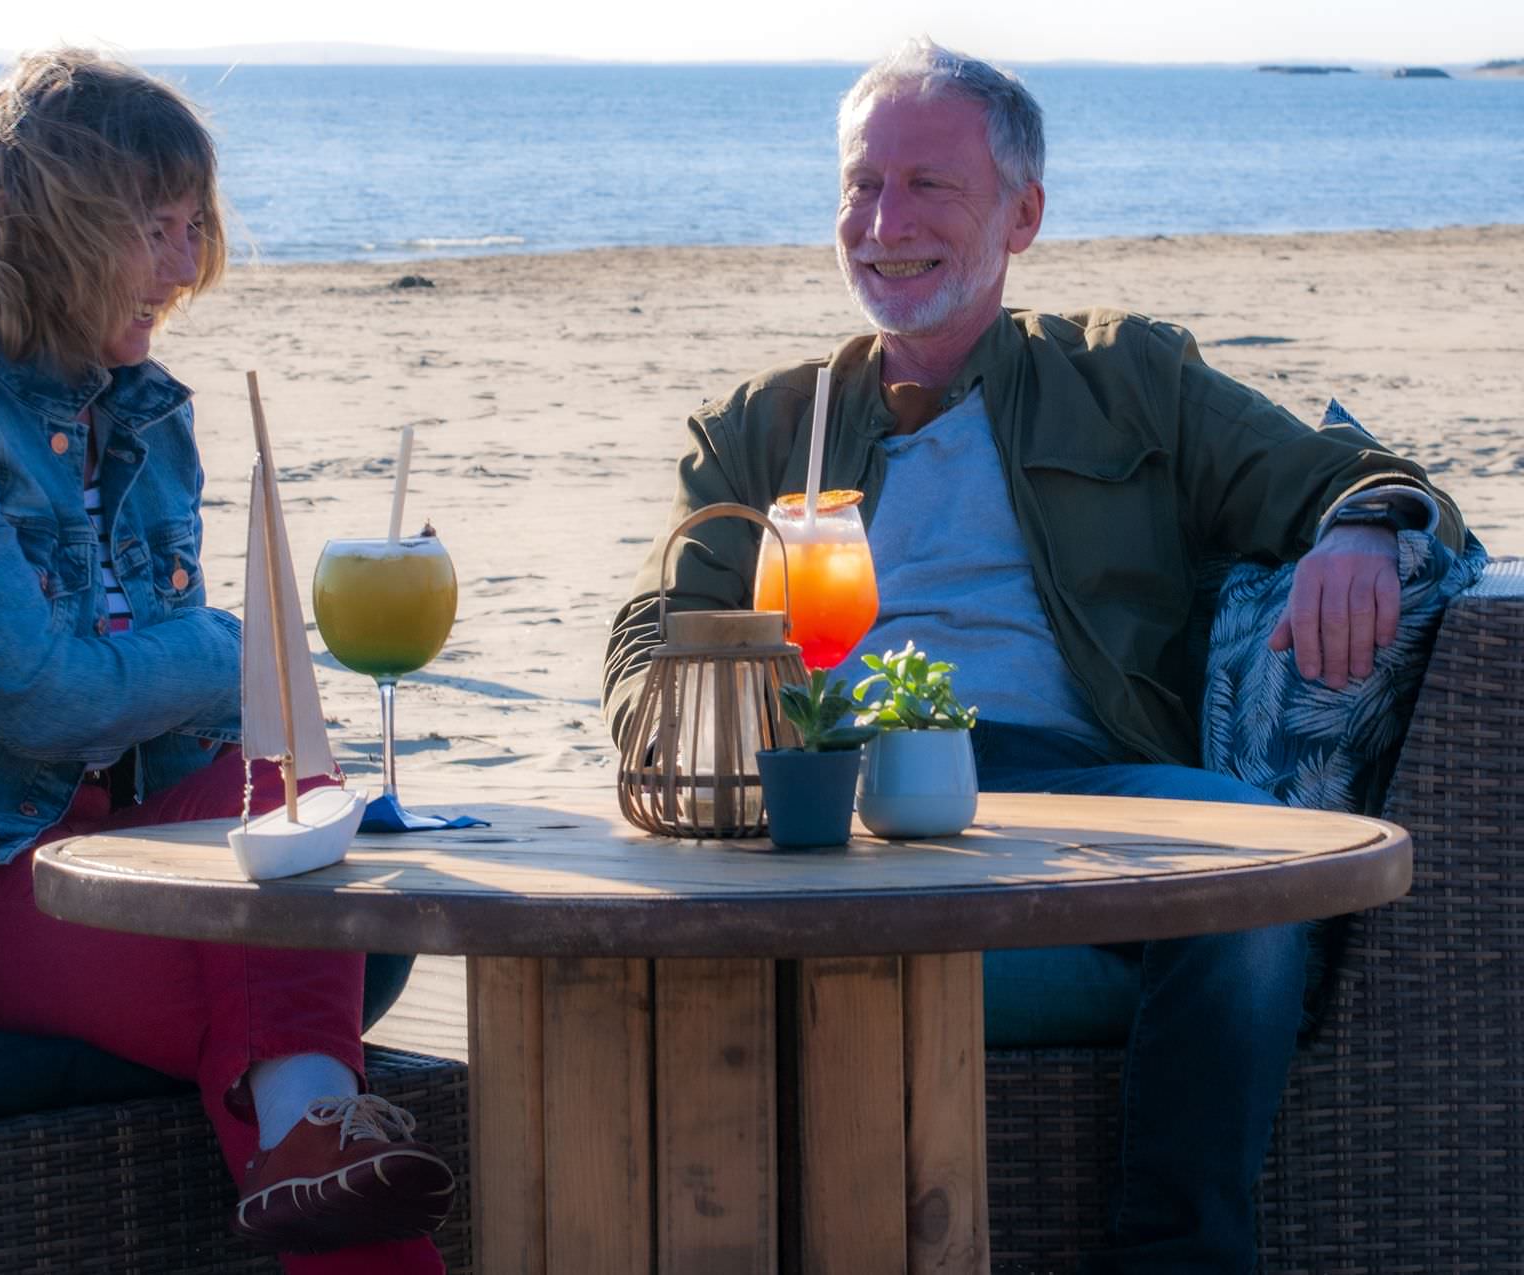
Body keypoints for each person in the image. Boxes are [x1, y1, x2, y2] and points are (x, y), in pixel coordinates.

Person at [603, 38, 1463, 1274]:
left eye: (928, 186)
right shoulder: (764, 426)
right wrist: (686, 730)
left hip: (1079, 793)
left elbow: (1362, 478)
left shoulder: (1128, 381)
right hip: (828, 800)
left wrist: (1369, 529)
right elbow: (652, 627)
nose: (884, 222)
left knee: (1261, 878)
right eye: (860, 184)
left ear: (1024, 215)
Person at [0, 49, 451, 1274]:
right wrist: (238, 651)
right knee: (278, 961)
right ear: (55, 233)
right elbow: (50, 703)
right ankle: (313, 1127)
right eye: (156, 228)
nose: (186, 264)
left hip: (105, 842)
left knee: (304, 818)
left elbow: (186, 734)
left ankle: (307, 1134)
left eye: (194, 224)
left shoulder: (146, 413)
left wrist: (286, 769)